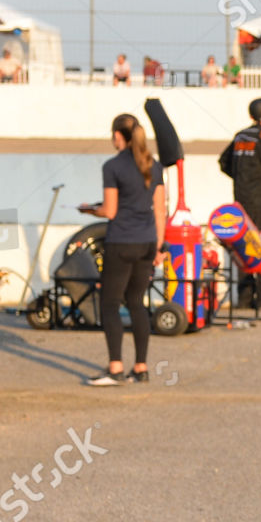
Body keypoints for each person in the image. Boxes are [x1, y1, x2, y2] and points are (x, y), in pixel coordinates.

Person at [77, 113, 165, 386]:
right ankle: (141, 366)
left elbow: (111, 210)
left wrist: (90, 210)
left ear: (118, 136)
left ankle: (115, 367)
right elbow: (160, 209)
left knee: (111, 303)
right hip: (148, 241)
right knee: (137, 301)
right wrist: (159, 246)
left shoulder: (113, 166)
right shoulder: (154, 165)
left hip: (122, 241)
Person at [218, 97, 261, 309]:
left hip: (242, 201)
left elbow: (224, 163)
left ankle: (245, 297)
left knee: (244, 247)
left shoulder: (240, 136)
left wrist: (241, 180)